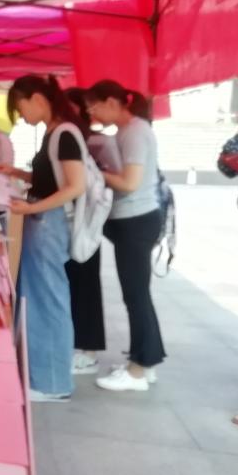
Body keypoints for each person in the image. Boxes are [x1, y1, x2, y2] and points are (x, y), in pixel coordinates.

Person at [1, 75, 86, 402]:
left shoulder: (65, 133)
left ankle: (53, 383)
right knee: (35, 297)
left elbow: (75, 186)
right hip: (41, 220)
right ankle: (38, 374)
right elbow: (51, 180)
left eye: (20, 107)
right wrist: (18, 174)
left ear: (37, 98)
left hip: (49, 222)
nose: (22, 116)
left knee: (48, 299)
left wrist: (31, 207)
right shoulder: (55, 132)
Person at [84, 80, 166, 393]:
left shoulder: (134, 132)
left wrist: (93, 171)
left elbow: (130, 183)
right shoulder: (126, 131)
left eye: (94, 106)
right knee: (137, 294)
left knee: (136, 296)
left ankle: (137, 371)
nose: (92, 113)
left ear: (112, 102)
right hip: (130, 219)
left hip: (136, 220)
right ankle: (147, 361)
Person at [62, 87, 109, 375]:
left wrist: (88, 175)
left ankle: (89, 350)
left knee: (87, 284)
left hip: (87, 220)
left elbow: (118, 178)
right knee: (76, 283)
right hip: (72, 220)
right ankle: (79, 344)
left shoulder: (94, 141)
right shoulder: (70, 137)